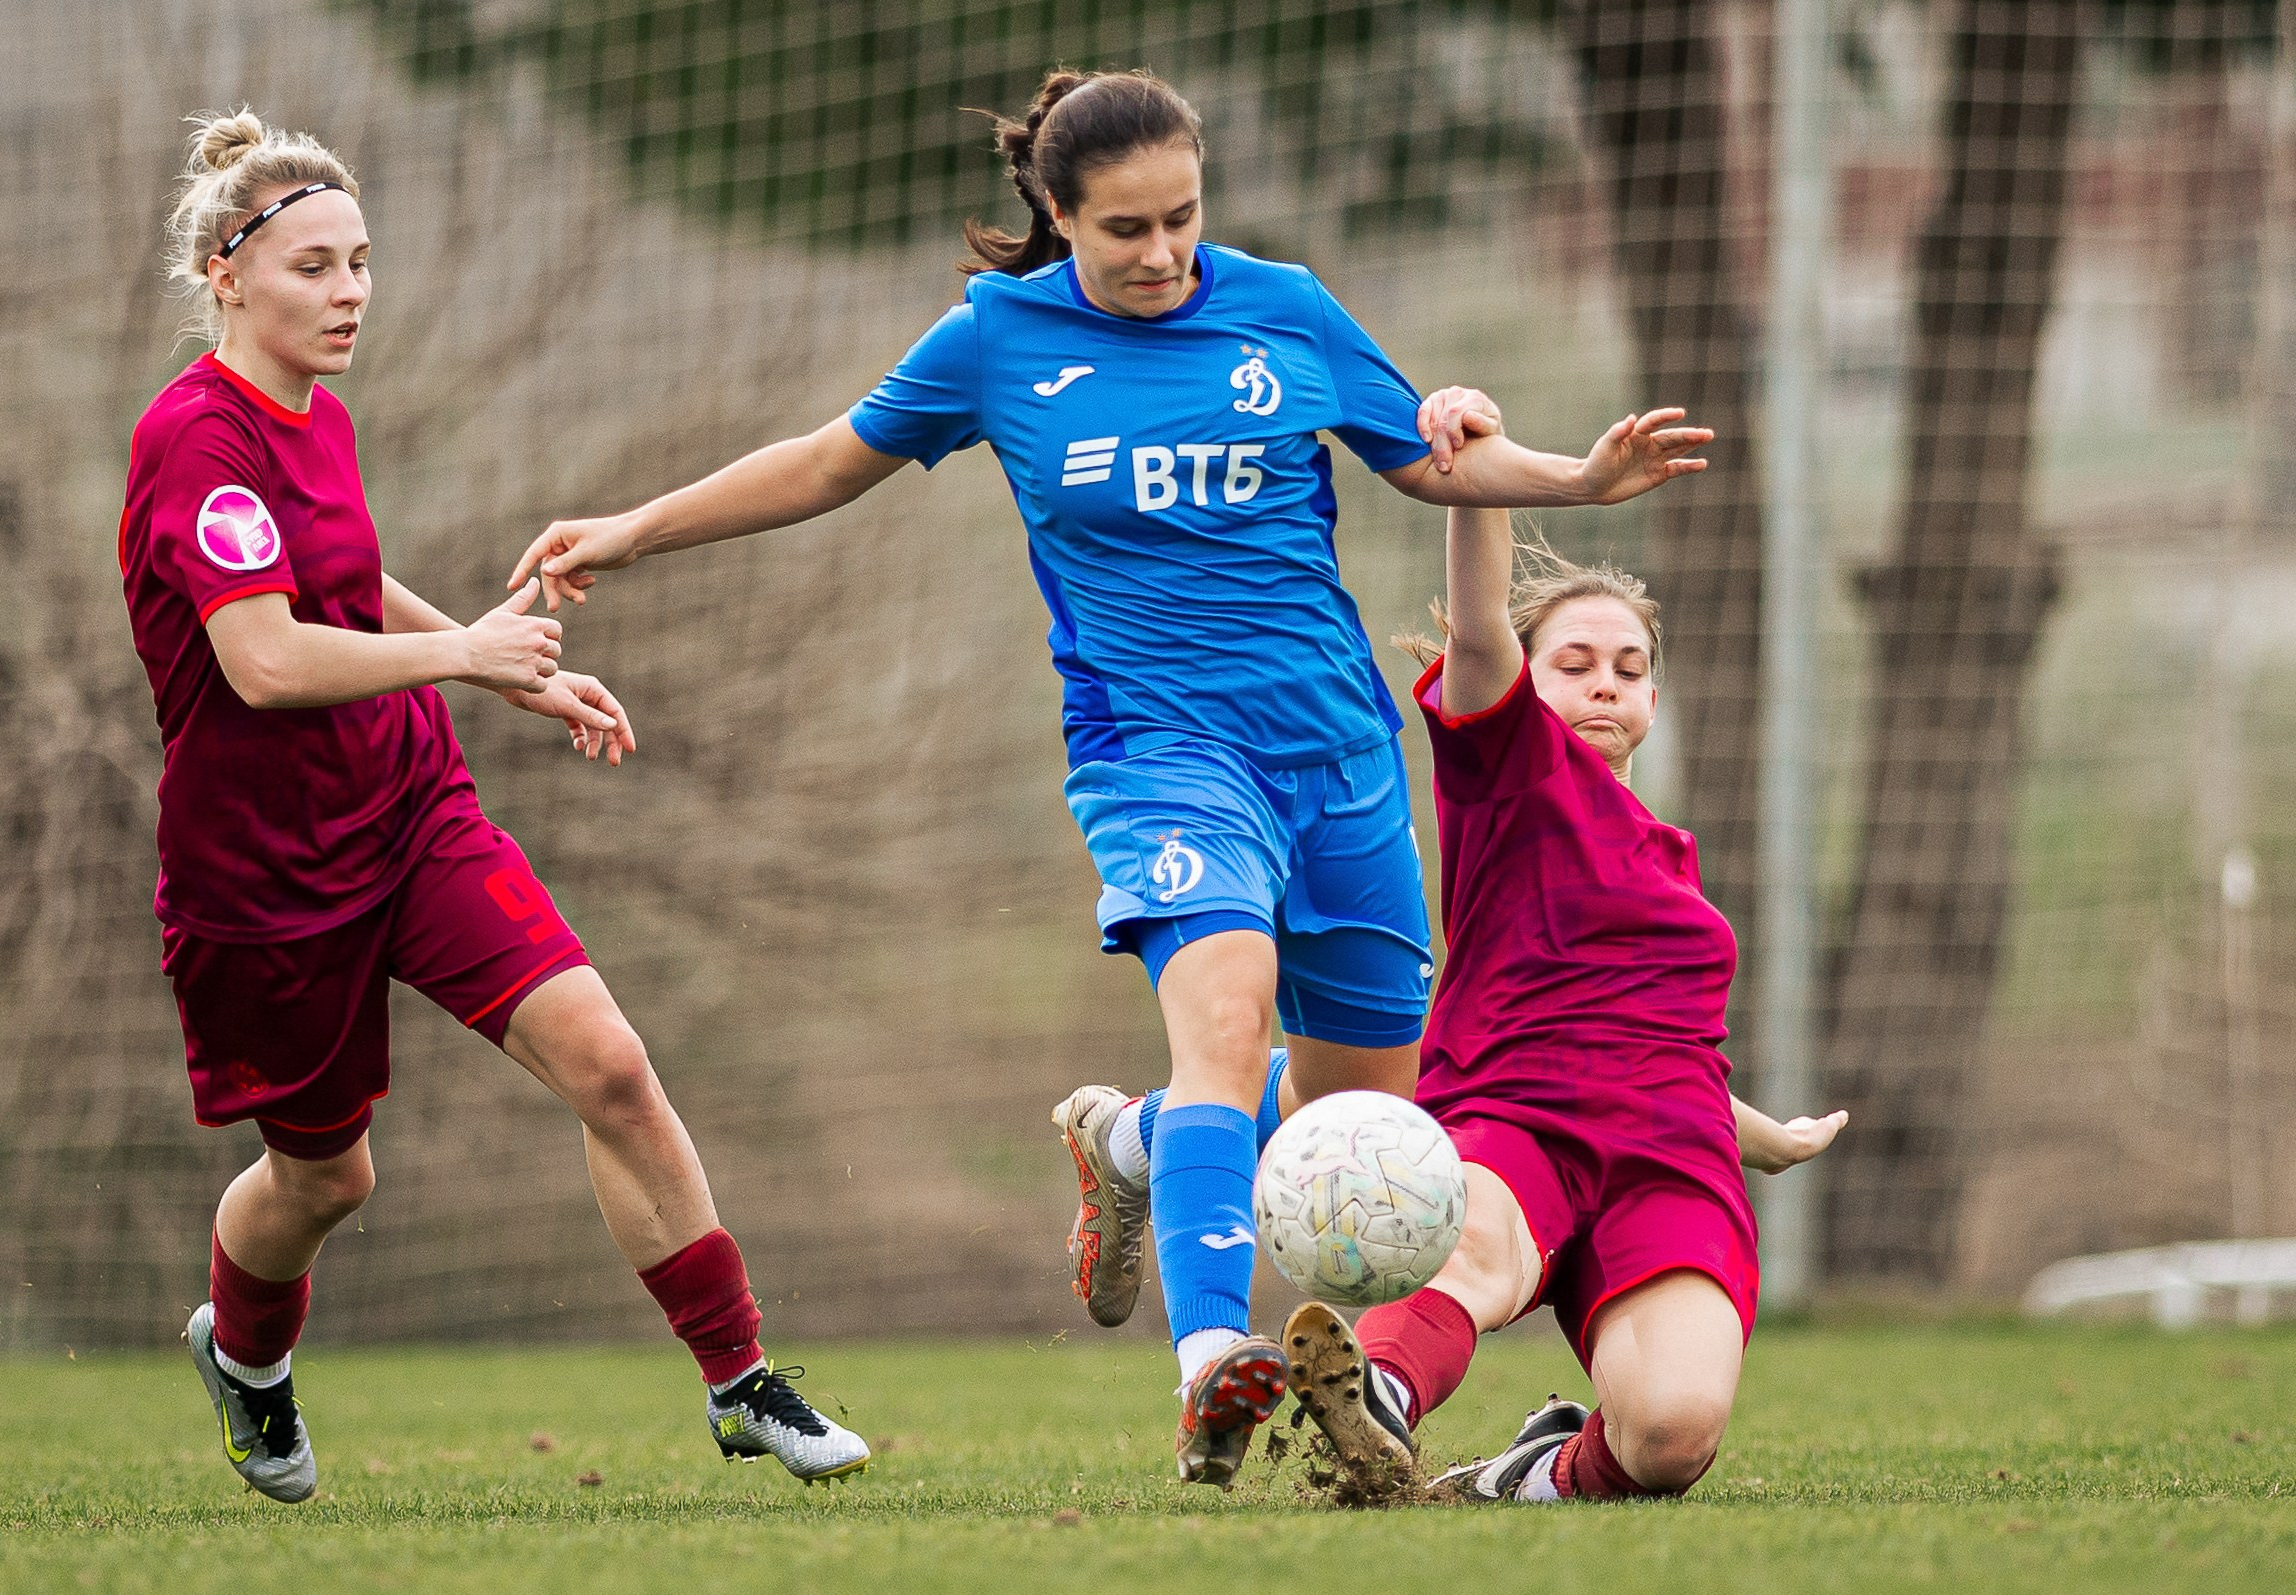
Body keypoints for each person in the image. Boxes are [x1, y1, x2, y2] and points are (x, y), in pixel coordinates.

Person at [506, 70, 1707, 1486]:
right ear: (1058, 216)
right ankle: (1212, 1362)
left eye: (1182, 220)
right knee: (1221, 1013)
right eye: (1124, 229)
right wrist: (633, 531)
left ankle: (1139, 1143)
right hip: (1158, 756)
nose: (1160, 255)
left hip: (1337, 758)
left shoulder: (1286, 307)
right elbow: (829, 463)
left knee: (1360, 1111)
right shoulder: (999, 338)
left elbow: (1433, 463)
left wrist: (1576, 476)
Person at [122, 110, 868, 1503]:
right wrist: (465, 653)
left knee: (610, 1060)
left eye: (359, 263)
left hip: (409, 808)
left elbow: (342, 581)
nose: (347, 294)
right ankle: (249, 1354)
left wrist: (492, 663)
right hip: (261, 874)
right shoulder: (193, 443)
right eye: (312, 268)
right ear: (227, 274)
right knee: (328, 1181)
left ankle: (740, 1379)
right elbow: (267, 655)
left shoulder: (319, 418)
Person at [1275, 387, 1846, 1503]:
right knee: (1473, 1250)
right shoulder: (1509, 771)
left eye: (1629, 668)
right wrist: (1477, 460)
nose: (1604, 682)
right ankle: (1373, 1401)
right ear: (1527, 684)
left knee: (1672, 1434)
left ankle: (1525, 1474)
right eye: (1575, 660)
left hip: (1667, 1151)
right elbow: (1481, 626)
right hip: (1514, 1119)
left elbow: (1640, 1037)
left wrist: (1754, 1133)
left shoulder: (1669, 860)